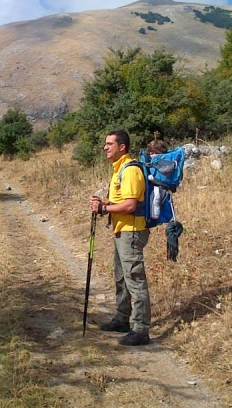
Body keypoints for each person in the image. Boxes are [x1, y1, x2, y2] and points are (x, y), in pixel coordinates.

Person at [89, 129, 151, 346]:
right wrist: (103, 203)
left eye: (109, 144)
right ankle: (122, 319)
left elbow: (131, 204)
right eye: (105, 144)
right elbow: (121, 201)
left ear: (121, 147)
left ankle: (141, 330)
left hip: (131, 232)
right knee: (121, 278)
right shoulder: (118, 170)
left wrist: (105, 210)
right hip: (122, 230)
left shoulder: (131, 170)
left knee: (134, 279)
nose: (105, 147)